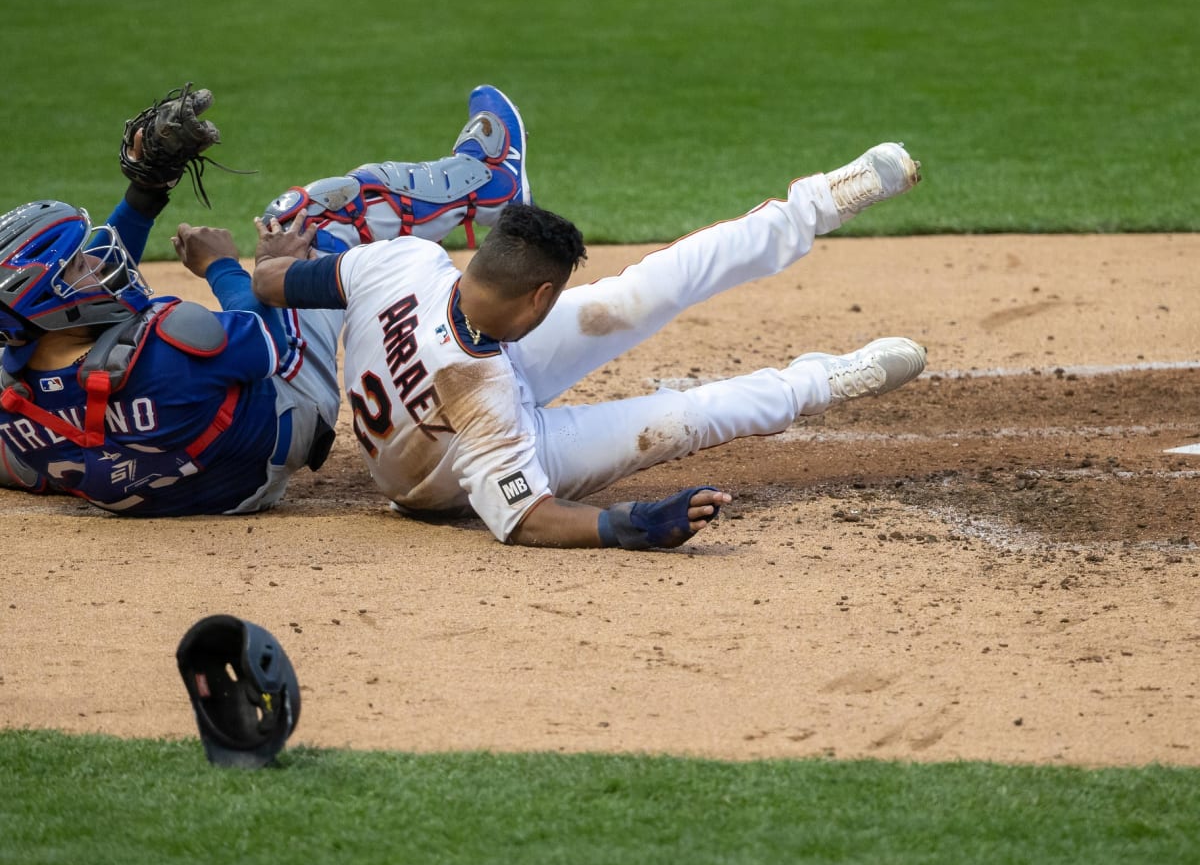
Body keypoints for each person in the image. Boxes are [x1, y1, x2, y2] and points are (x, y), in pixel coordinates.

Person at [252, 95, 929, 550]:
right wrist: (627, 524)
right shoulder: (482, 396)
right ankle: (823, 382)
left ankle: (818, 203)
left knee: (639, 295)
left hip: (450, 380)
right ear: (539, 297)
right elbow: (524, 518)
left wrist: (262, 264)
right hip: (440, 475)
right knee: (679, 419)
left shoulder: (404, 263)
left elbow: (278, 282)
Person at [0, 84, 532, 514]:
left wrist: (146, 193)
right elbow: (270, 343)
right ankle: (494, 183)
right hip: (282, 425)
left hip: (206, 484)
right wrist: (232, 267)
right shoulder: (168, 344)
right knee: (307, 214)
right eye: (79, 263)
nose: (100, 259)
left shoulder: (13, 402)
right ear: (53, 300)